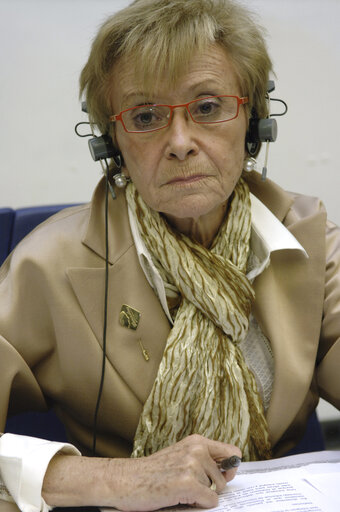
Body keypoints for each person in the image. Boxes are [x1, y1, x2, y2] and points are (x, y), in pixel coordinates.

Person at [0, 0, 339, 511]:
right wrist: (116, 480)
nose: (180, 142)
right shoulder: (45, 266)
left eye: (206, 107)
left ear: (252, 120)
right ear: (111, 144)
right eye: (145, 116)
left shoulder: (310, 243)